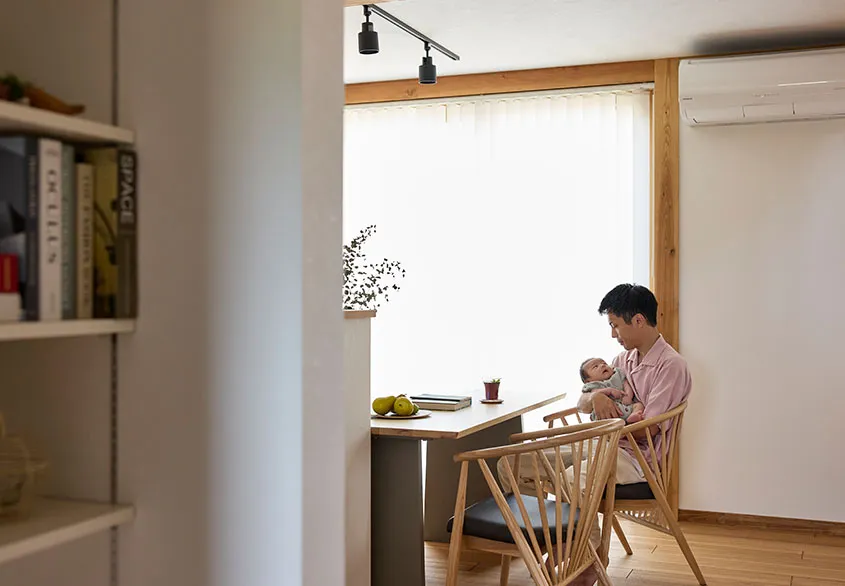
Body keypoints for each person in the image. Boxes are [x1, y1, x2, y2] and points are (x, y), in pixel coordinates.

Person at [496, 283, 692, 586]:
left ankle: (587, 560)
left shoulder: (671, 365)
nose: (613, 334)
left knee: (571, 479)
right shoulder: (621, 361)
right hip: (600, 444)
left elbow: (649, 427)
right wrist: (596, 399)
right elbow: (585, 399)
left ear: (638, 320)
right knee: (513, 463)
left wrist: (609, 419)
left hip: (637, 459)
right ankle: (556, 542)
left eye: (615, 325)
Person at [579, 357, 644, 424]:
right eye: (595, 366)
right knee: (598, 421)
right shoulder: (593, 385)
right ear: (588, 381)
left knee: (639, 405)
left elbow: (626, 385)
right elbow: (594, 394)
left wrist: (628, 396)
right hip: (605, 414)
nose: (602, 365)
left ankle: (633, 416)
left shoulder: (617, 375)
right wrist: (609, 391)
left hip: (626, 408)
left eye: (604, 363)